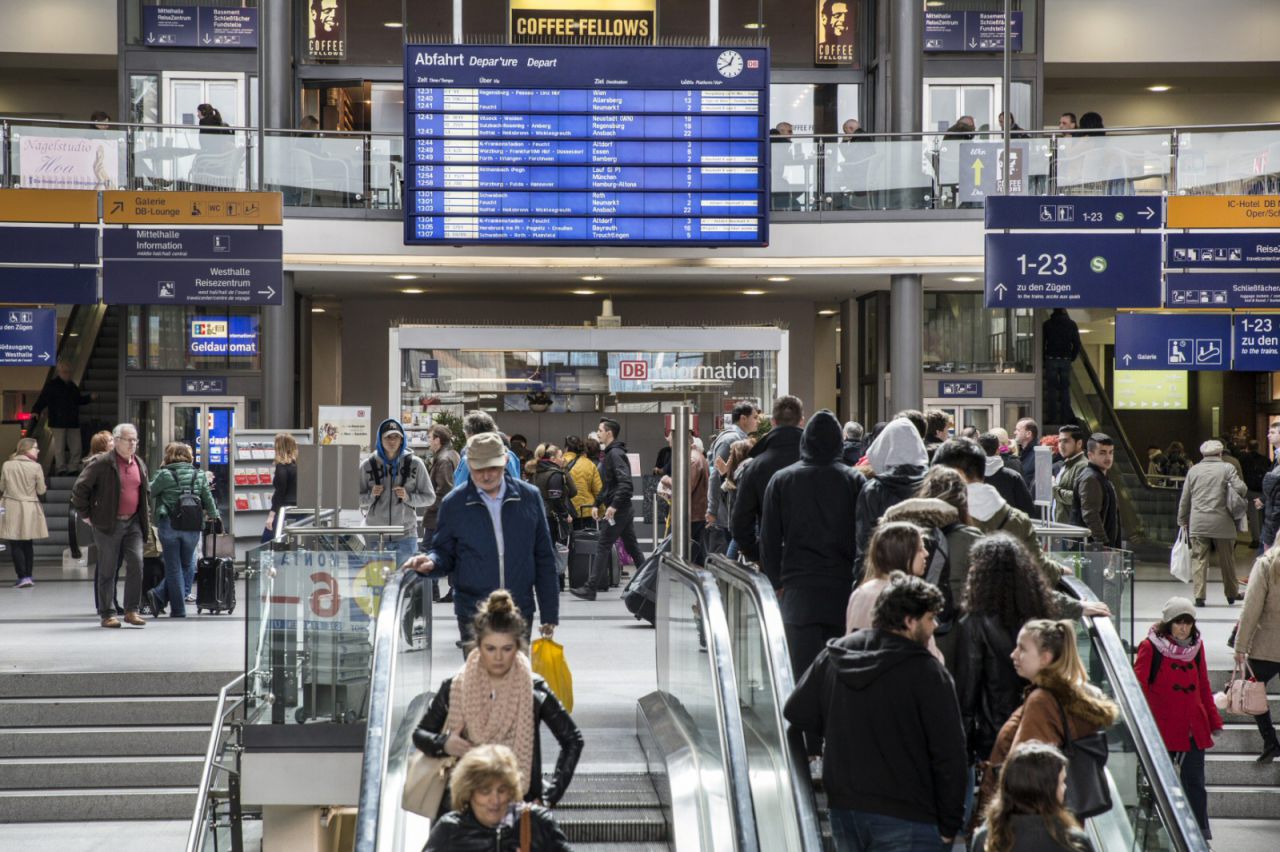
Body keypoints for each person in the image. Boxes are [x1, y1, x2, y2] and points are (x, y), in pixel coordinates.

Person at [784, 572, 967, 849]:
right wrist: (950, 825)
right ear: (909, 621)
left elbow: (797, 711)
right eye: (930, 618)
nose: (935, 625)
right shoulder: (928, 673)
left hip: (844, 809)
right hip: (909, 815)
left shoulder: (835, 656)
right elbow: (950, 754)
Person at [414, 591, 581, 811]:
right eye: (490, 649)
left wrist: (550, 796)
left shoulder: (534, 690)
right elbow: (420, 734)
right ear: (478, 646)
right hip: (464, 805)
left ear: (518, 647)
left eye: (507, 649)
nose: (498, 657)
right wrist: (445, 744)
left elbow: (572, 740)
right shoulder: (455, 686)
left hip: (519, 804)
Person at [406, 433, 559, 646]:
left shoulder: (528, 497)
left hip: (518, 609)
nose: (486, 476)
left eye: (493, 468)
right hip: (473, 611)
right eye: (479, 469)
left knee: (515, 676)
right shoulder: (455, 503)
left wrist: (549, 614)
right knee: (477, 676)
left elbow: (544, 557)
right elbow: (444, 552)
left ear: (505, 461)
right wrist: (431, 562)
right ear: (468, 465)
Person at [760, 410, 867, 686]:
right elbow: (865, 537)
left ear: (804, 441)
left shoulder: (782, 480)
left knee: (801, 676)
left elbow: (769, 539)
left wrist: (776, 581)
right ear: (838, 443)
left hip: (798, 593)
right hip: (843, 590)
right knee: (840, 675)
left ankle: (802, 728)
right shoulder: (854, 480)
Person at [955, 535, 1080, 770]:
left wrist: (964, 747)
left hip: (995, 734)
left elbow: (967, 692)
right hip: (1044, 724)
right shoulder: (1041, 612)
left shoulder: (975, 622)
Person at [976, 619, 1119, 818]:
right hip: (1055, 821)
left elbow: (1026, 775)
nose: (1013, 654)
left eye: (1022, 649)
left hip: (1026, 822)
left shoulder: (1042, 702)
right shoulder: (1065, 698)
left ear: (1045, 658)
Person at [1135, 597, 1221, 838]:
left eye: (1188, 622)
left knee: (1195, 783)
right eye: (1178, 622)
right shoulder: (1150, 647)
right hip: (1161, 728)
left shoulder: (1197, 646)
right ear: (1168, 623)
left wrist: (1213, 719)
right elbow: (1138, 686)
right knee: (1157, 783)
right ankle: (1151, 834)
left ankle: (1200, 836)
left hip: (1193, 727)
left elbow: (1203, 684)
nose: (1184, 628)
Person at [934, 438, 1066, 586]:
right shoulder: (1018, 520)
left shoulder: (936, 518)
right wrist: (1060, 570)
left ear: (955, 473)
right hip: (1007, 602)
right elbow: (1040, 568)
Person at [71, 423, 152, 629]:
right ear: (116, 441)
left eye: (135, 440)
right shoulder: (102, 463)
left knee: (137, 564)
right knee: (107, 569)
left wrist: (146, 517)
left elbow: (144, 493)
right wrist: (87, 515)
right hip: (108, 523)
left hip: (133, 522)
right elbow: (80, 489)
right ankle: (107, 613)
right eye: (128, 440)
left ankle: (131, 610)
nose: (133, 443)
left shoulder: (139, 463)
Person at [424, 743, 571, 851]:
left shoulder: (538, 823)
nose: (495, 801)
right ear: (469, 792)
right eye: (485, 791)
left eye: (502, 790)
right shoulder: (450, 830)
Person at [845, 521, 944, 663]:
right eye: (920, 549)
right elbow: (931, 656)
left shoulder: (860, 592)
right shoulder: (906, 597)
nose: (926, 554)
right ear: (903, 554)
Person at [569, 418, 645, 600]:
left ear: (609, 433)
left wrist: (613, 506)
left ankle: (591, 587)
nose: (598, 433)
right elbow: (609, 485)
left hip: (619, 510)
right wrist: (597, 503)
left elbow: (625, 483)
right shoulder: (612, 453)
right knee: (632, 546)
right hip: (622, 509)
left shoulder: (615, 454)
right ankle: (649, 580)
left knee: (603, 544)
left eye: (600, 430)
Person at [970, 741, 1095, 852]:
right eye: (1062, 782)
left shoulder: (986, 840)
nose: (1065, 788)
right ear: (1047, 790)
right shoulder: (1075, 842)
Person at [144, 442, 219, 618]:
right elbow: (208, 498)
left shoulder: (164, 474)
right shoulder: (198, 474)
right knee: (187, 565)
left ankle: (174, 607)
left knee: (173, 567)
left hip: (169, 524)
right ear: (189, 456)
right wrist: (214, 515)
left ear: (169, 456)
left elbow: (149, 491)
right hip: (192, 527)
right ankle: (160, 596)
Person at [730, 395, 805, 564]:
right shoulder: (818, 463)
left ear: (772, 422)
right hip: (816, 564)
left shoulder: (755, 467)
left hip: (773, 560)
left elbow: (740, 523)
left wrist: (760, 554)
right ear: (801, 421)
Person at [853, 417, 928, 581]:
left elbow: (864, 543)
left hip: (881, 578)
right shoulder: (932, 486)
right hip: (925, 578)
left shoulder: (873, 489)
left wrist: (860, 584)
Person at [1178, 439, 1245, 606]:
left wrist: (1182, 519)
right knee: (1227, 559)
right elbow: (1241, 489)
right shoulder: (1227, 468)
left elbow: (1185, 498)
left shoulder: (1193, 470)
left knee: (1199, 559)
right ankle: (1231, 593)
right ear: (1220, 454)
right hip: (1223, 521)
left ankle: (1199, 596)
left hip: (1198, 522)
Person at [360, 419, 435, 567]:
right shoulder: (367, 465)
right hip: (375, 536)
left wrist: (408, 498)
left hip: (405, 536)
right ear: (380, 439)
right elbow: (354, 499)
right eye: (388, 437)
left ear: (402, 439)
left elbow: (430, 497)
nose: (392, 441)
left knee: (405, 585)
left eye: (396, 437)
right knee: (377, 586)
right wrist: (371, 496)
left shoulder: (416, 463)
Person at [1235, 545, 1280, 764]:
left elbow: (1251, 608)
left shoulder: (1266, 564)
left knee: (1253, 690)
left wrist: (1240, 646)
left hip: (1266, 645)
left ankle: (1270, 740)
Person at [706, 402, 759, 557]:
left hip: (731, 510)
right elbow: (716, 475)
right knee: (727, 557)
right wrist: (712, 509)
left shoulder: (737, 439)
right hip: (728, 512)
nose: (758, 421)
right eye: (754, 417)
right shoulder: (731, 440)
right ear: (743, 418)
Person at [30, 360, 93, 475]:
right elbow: (43, 399)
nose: (67, 374)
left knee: (75, 447)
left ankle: (71, 467)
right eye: (65, 372)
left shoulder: (71, 386)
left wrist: (89, 398)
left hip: (68, 421)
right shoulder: (54, 385)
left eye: (68, 372)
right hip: (60, 421)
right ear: (59, 372)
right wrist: (36, 410)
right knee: (60, 447)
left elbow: (78, 400)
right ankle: (62, 468)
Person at [0, 438, 47, 588]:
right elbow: (41, 490)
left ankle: (21, 577)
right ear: (25, 449)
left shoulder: (7, 465)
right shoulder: (36, 467)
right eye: (35, 448)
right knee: (28, 542)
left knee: (15, 542)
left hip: (11, 505)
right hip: (29, 507)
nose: (38, 450)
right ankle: (28, 575)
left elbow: (2, 486)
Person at [1073, 433, 1122, 549]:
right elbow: (1091, 515)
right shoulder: (1091, 478)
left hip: (1096, 546)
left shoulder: (1099, 476)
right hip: (1094, 548)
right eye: (1102, 453)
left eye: (1111, 452)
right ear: (1090, 455)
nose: (1108, 457)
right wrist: (1103, 544)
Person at [453, 411, 523, 487]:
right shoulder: (511, 456)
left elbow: (459, 488)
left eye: (465, 433)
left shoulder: (469, 459)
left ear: (471, 434)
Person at [530, 443, 575, 555]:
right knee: (553, 550)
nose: (563, 459)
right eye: (561, 457)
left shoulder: (536, 472)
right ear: (553, 459)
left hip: (537, 514)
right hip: (551, 517)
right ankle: (557, 573)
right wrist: (565, 514)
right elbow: (556, 498)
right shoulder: (555, 474)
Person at [978, 433, 1035, 516]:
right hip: (1008, 525)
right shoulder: (1013, 476)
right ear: (998, 450)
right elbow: (1028, 509)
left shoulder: (969, 477)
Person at [1042, 310, 1082, 426]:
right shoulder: (1071, 324)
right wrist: (1072, 357)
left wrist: (1043, 357)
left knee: (1052, 390)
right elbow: (1077, 343)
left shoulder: (1047, 324)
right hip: (1065, 359)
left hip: (1051, 358)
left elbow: (1043, 341)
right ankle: (1065, 419)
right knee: (1065, 390)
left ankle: (1053, 418)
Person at [262, 433, 298, 544]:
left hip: (284, 510)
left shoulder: (281, 467)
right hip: (299, 509)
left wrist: (271, 515)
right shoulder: (297, 465)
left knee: (268, 541)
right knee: (293, 541)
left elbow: (280, 492)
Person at [561, 435, 602, 531]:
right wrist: (601, 511)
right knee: (585, 542)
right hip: (586, 511)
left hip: (565, 511)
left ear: (566, 448)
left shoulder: (559, 462)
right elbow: (598, 490)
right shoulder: (589, 464)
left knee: (564, 543)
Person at [1052, 425, 1087, 525]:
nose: (1061, 446)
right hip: (1062, 528)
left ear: (1079, 443)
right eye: (1059, 441)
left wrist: (1054, 489)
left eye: (1066, 441)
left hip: (1072, 531)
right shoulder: (1067, 463)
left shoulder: (1083, 466)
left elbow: (1078, 498)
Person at [1241, 439, 1270, 548]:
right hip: (1262, 490)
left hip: (1249, 489)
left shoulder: (1243, 459)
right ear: (1258, 447)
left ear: (1247, 447)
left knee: (1253, 515)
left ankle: (1256, 539)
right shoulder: (1265, 459)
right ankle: (1264, 538)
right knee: (1262, 515)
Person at [1259, 420, 1280, 551]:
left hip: (1275, 514)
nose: (1268, 435)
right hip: (1273, 512)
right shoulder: (1276, 455)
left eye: (1272, 432)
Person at [1013, 419, 1039, 493]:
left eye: (1017, 430)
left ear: (1028, 434)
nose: (1014, 432)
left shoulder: (1038, 455)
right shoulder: (1020, 451)